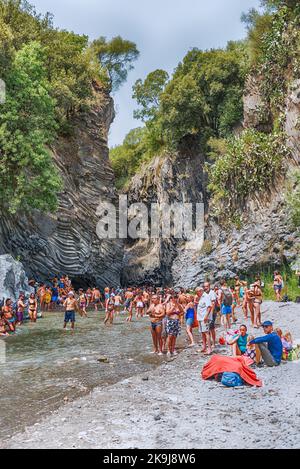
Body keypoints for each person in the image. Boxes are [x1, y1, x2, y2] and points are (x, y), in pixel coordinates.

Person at [196, 286, 212, 355]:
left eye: (197, 292)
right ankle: (204, 347)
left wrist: (206, 316)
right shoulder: (201, 297)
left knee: (206, 333)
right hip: (200, 318)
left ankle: (209, 349)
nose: (196, 294)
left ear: (200, 291)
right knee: (202, 333)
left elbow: (209, 307)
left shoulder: (206, 296)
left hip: (204, 318)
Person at [203, 282, 217, 349]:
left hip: (212, 313)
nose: (205, 287)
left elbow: (213, 303)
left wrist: (210, 313)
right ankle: (209, 342)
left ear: (209, 286)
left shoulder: (212, 293)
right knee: (207, 328)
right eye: (204, 286)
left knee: (211, 328)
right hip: (207, 313)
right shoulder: (205, 293)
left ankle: (213, 343)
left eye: (206, 286)